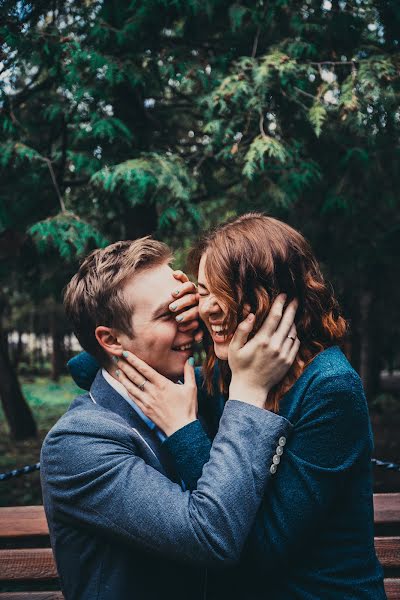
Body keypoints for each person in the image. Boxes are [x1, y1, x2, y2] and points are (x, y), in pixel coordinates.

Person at [104, 214, 386, 599]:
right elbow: (91, 363)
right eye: (203, 291)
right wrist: (184, 318)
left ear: (281, 295)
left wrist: (184, 429)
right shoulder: (228, 365)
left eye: (230, 292)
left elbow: (254, 552)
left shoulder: (329, 388)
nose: (213, 308)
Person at [40, 237, 298, 600]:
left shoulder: (192, 388)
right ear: (110, 340)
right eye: (169, 313)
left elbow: (100, 357)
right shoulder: (77, 444)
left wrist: (208, 307)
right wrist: (249, 394)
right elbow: (211, 537)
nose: (190, 324)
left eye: (187, 306)